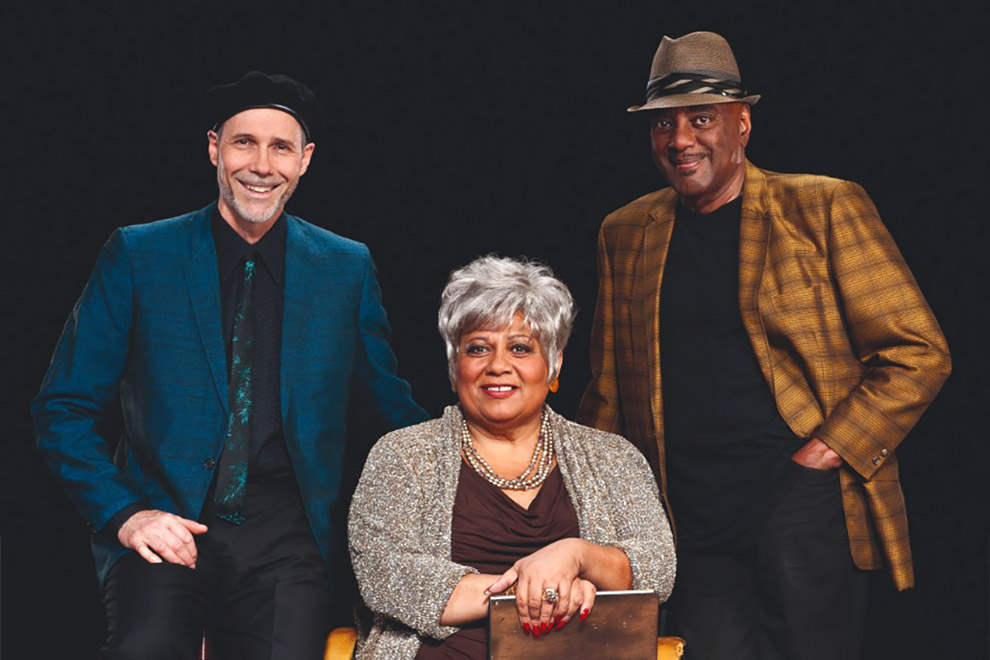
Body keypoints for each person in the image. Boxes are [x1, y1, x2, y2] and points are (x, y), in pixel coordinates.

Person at [577, 31, 951, 660]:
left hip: (801, 503)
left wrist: (823, 455)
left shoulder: (822, 206)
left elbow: (918, 351)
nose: (680, 140)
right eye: (663, 124)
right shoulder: (626, 232)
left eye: (702, 119)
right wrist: (589, 508)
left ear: (742, 123)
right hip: (685, 514)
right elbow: (608, 391)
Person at [31, 71, 427, 660]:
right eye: (244, 143)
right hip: (163, 518)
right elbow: (61, 408)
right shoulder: (140, 255)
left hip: (286, 538)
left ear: (305, 160)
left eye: (281, 147)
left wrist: (485, 450)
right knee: (148, 646)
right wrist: (127, 516)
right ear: (214, 147)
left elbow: (390, 408)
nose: (261, 165)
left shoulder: (344, 268)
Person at [348, 256, 675, 659]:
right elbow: (386, 576)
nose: (498, 365)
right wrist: (543, 591)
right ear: (455, 369)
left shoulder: (613, 458)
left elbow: (658, 569)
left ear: (553, 367)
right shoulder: (401, 456)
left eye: (520, 348)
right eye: (478, 348)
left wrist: (575, 555)